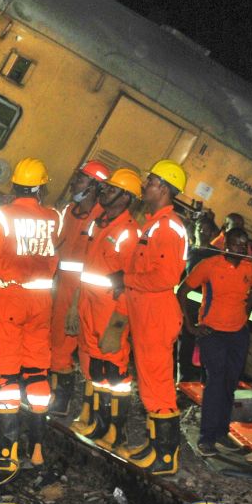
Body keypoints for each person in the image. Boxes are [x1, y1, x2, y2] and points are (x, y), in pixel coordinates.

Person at [0, 157, 62, 471]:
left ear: (15, 185)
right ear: (41, 188)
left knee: (5, 377)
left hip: (9, 301)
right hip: (40, 303)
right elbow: (51, 260)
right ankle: (37, 450)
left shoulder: (2, 217)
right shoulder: (52, 218)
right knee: (37, 373)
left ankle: (6, 456)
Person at [117, 159, 190, 475]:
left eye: (149, 181)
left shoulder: (167, 227)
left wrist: (126, 279)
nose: (144, 185)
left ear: (163, 186)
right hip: (146, 311)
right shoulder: (154, 223)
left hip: (156, 312)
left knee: (158, 386)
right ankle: (154, 447)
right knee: (149, 385)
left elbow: (164, 277)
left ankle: (165, 456)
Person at [70, 167, 142, 453]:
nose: (105, 191)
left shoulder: (129, 232)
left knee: (117, 377)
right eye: (107, 188)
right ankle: (99, 424)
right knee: (97, 370)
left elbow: (129, 281)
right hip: (90, 305)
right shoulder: (100, 223)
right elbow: (88, 267)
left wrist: (118, 323)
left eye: (112, 189)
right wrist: (75, 304)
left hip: (110, 310)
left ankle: (117, 431)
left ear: (126, 197)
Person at [179, 228, 252, 456]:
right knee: (215, 383)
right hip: (212, 333)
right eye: (236, 243)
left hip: (238, 334)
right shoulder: (209, 265)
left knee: (229, 384)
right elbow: (182, 291)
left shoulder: (248, 267)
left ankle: (222, 433)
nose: (241, 248)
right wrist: (190, 325)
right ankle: (207, 438)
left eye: (244, 244)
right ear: (226, 246)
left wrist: (247, 313)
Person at [49, 160, 111, 414]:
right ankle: (58, 400)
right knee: (56, 342)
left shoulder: (100, 220)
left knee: (80, 348)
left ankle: (88, 408)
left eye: (83, 179)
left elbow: (93, 265)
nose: (76, 182)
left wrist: (76, 303)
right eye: (78, 177)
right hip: (61, 285)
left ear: (95, 187)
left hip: (82, 292)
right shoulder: (68, 211)